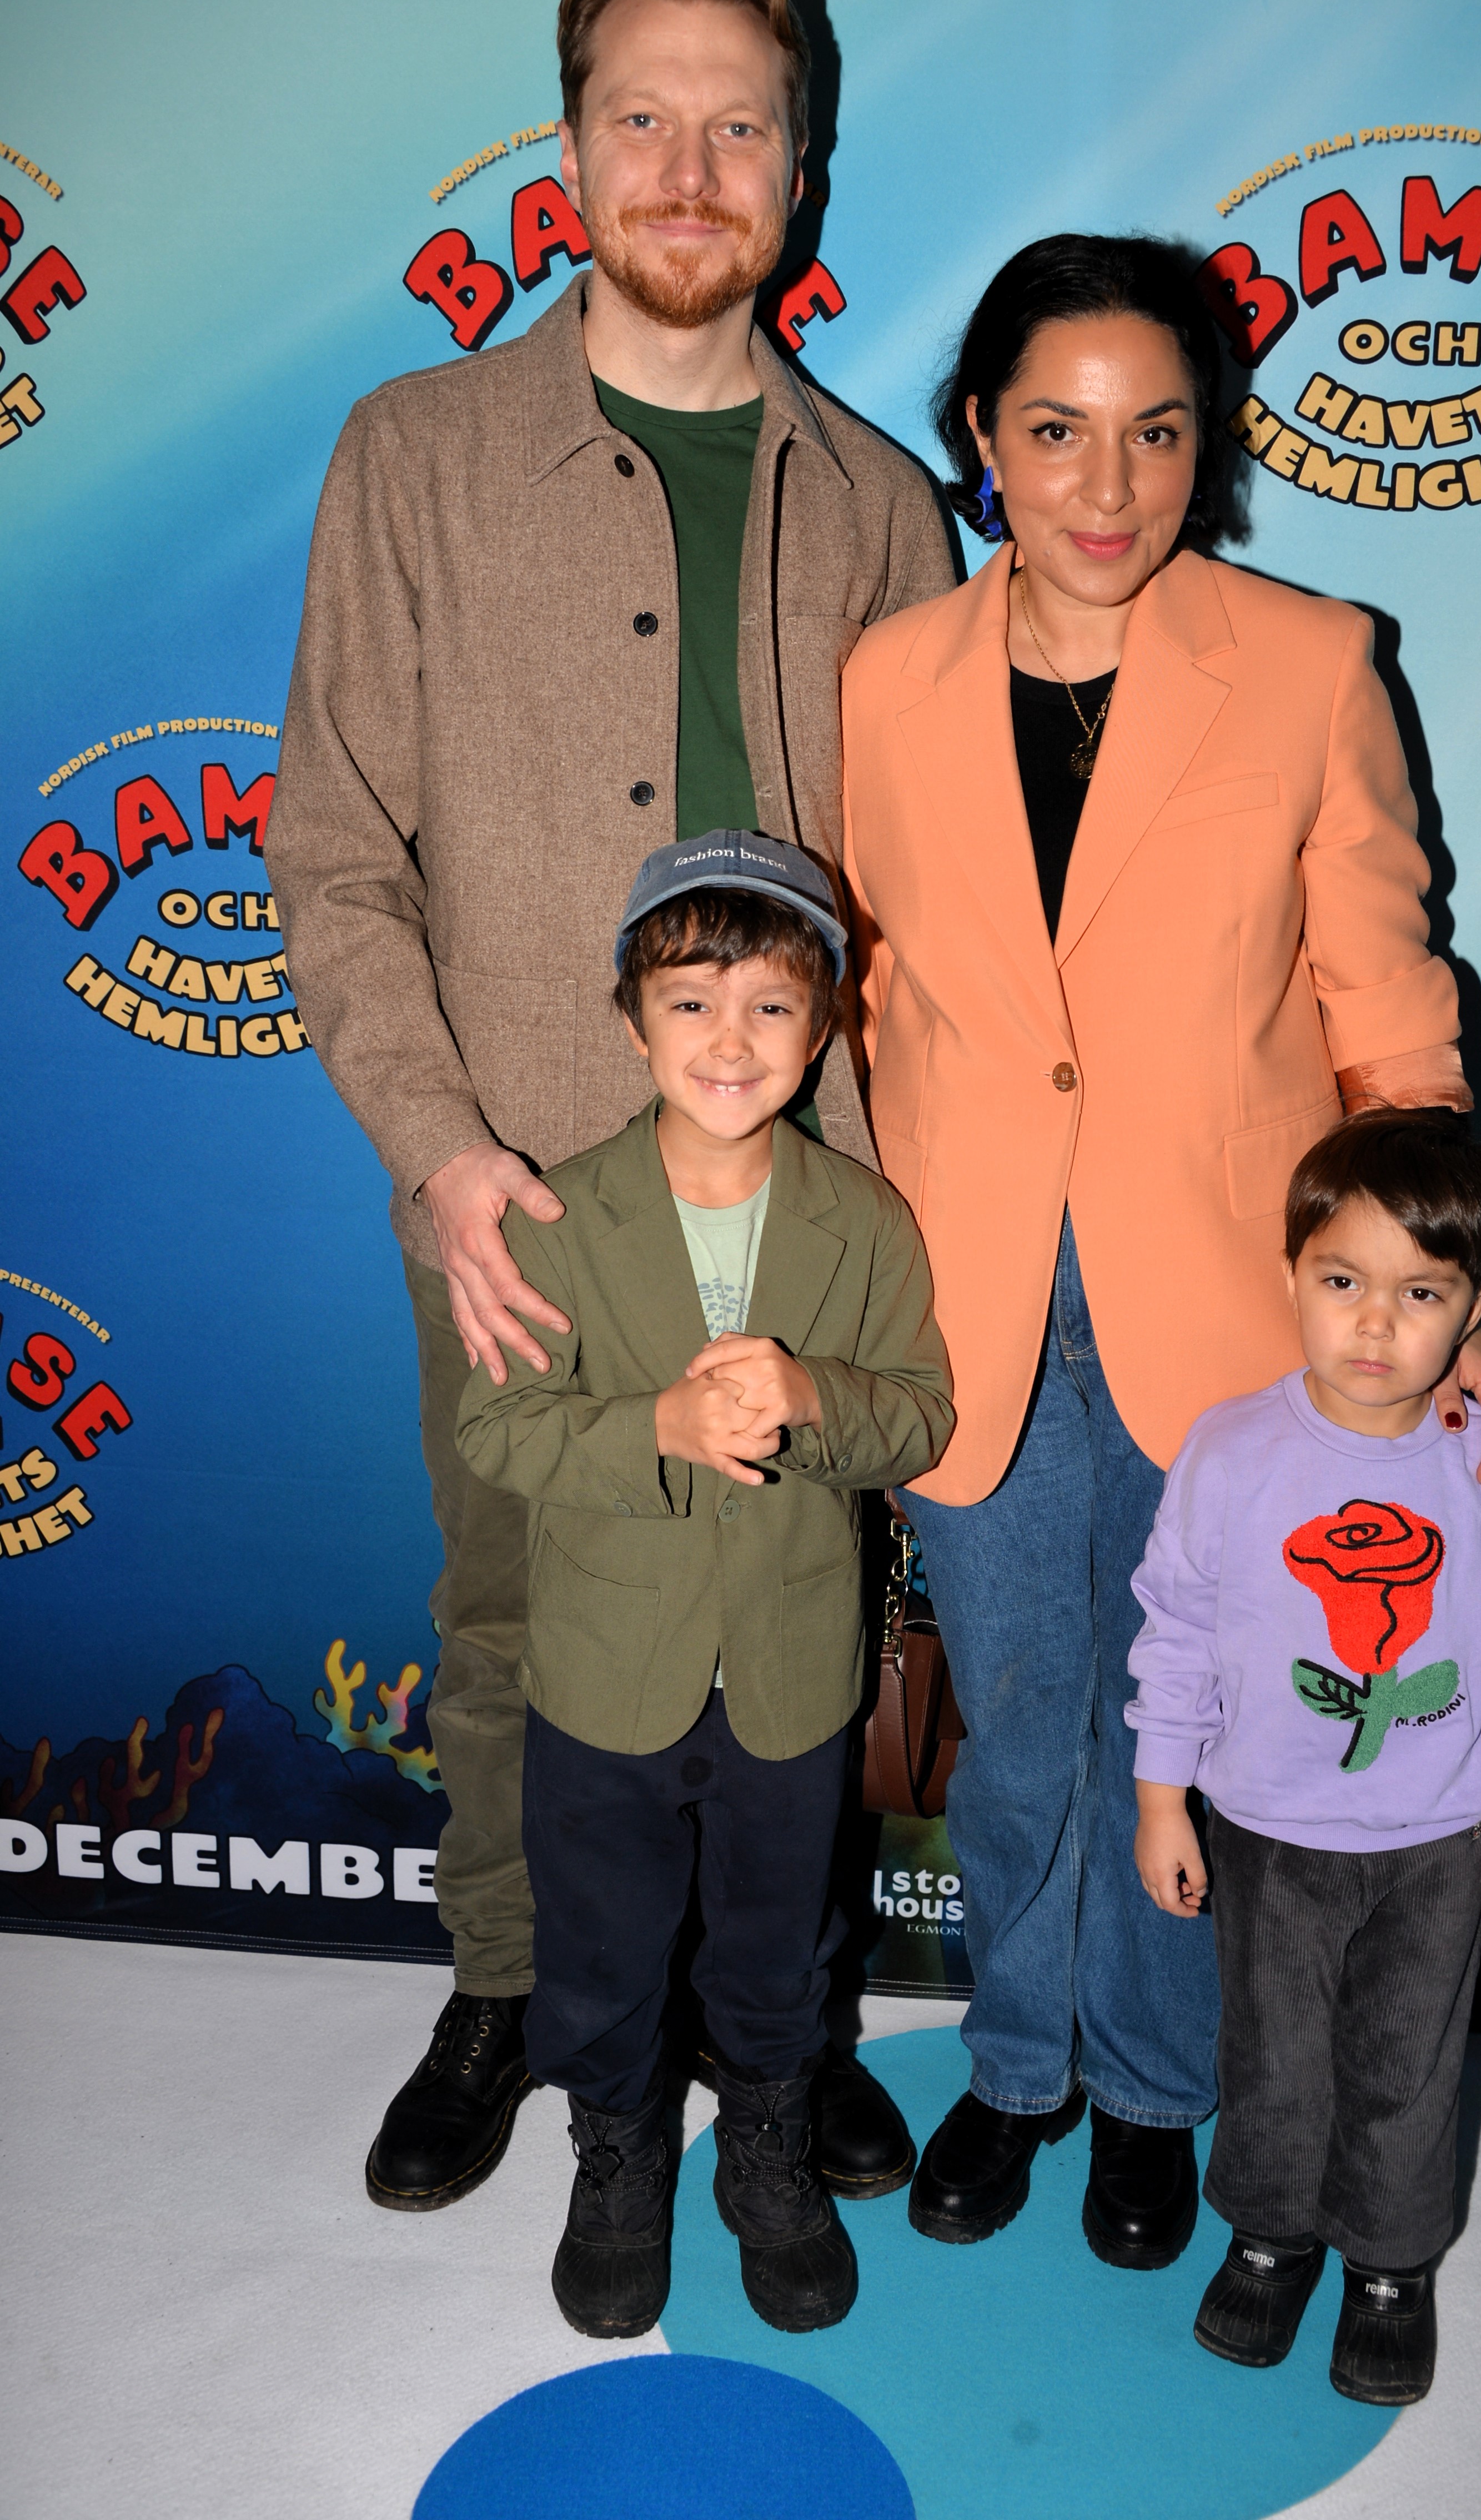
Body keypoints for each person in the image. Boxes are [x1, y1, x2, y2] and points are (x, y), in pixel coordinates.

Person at [267, 0, 955, 2211]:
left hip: (807, 1194)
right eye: (643, 117)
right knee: (515, 1604)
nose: (690, 165)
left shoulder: (880, 505)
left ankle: (778, 2020)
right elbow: (331, 842)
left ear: (801, 165)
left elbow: (935, 904)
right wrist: (442, 1150)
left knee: (792, 1606)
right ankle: (511, 1983)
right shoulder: (417, 454)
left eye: (739, 123)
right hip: (526, 1196)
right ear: (566, 152)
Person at [839, 234, 1481, 2269]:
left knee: (1201, 1726)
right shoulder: (883, 680)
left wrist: (1442, 1308)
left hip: (1232, 1296)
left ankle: (1155, 2089)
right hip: (965, 1291)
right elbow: (862, 993)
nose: (1108, 481)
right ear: (982, 436)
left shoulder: (1309, 662)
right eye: (1056, 429)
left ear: (1207, 445)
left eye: (1156, 431)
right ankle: (1017, 2065)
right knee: (1021, 1721)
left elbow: (1389, 1005)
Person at [453, 835, 953, 2336]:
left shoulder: (865, 1220)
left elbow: (918, 1415)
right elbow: (498, 1428)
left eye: (771, 1006)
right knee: (600, 1947)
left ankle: (768, 2150)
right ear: (631, 1021)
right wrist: (654, 1429)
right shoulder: (558, 1217)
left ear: (824, 1025)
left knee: (780, 1942)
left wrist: (813, 1395)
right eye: (689, 1002)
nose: (730, 1041)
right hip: (607, 1673)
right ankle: (616, 2159)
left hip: (790, 1676)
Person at [1128, 1110, 1481, 2403]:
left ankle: (1390, 2261)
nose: (1373, 1324)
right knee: (1272, 2057)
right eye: (1341, 1281)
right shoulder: (1229, 1451)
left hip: (1439, 1838)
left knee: (1403, 2062)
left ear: (1475, 1309)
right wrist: (1161, 1797)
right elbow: (1174, 1632)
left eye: (1419, 1293)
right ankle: (1269, 2236)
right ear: (1290, 1274)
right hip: (1267, 1831)